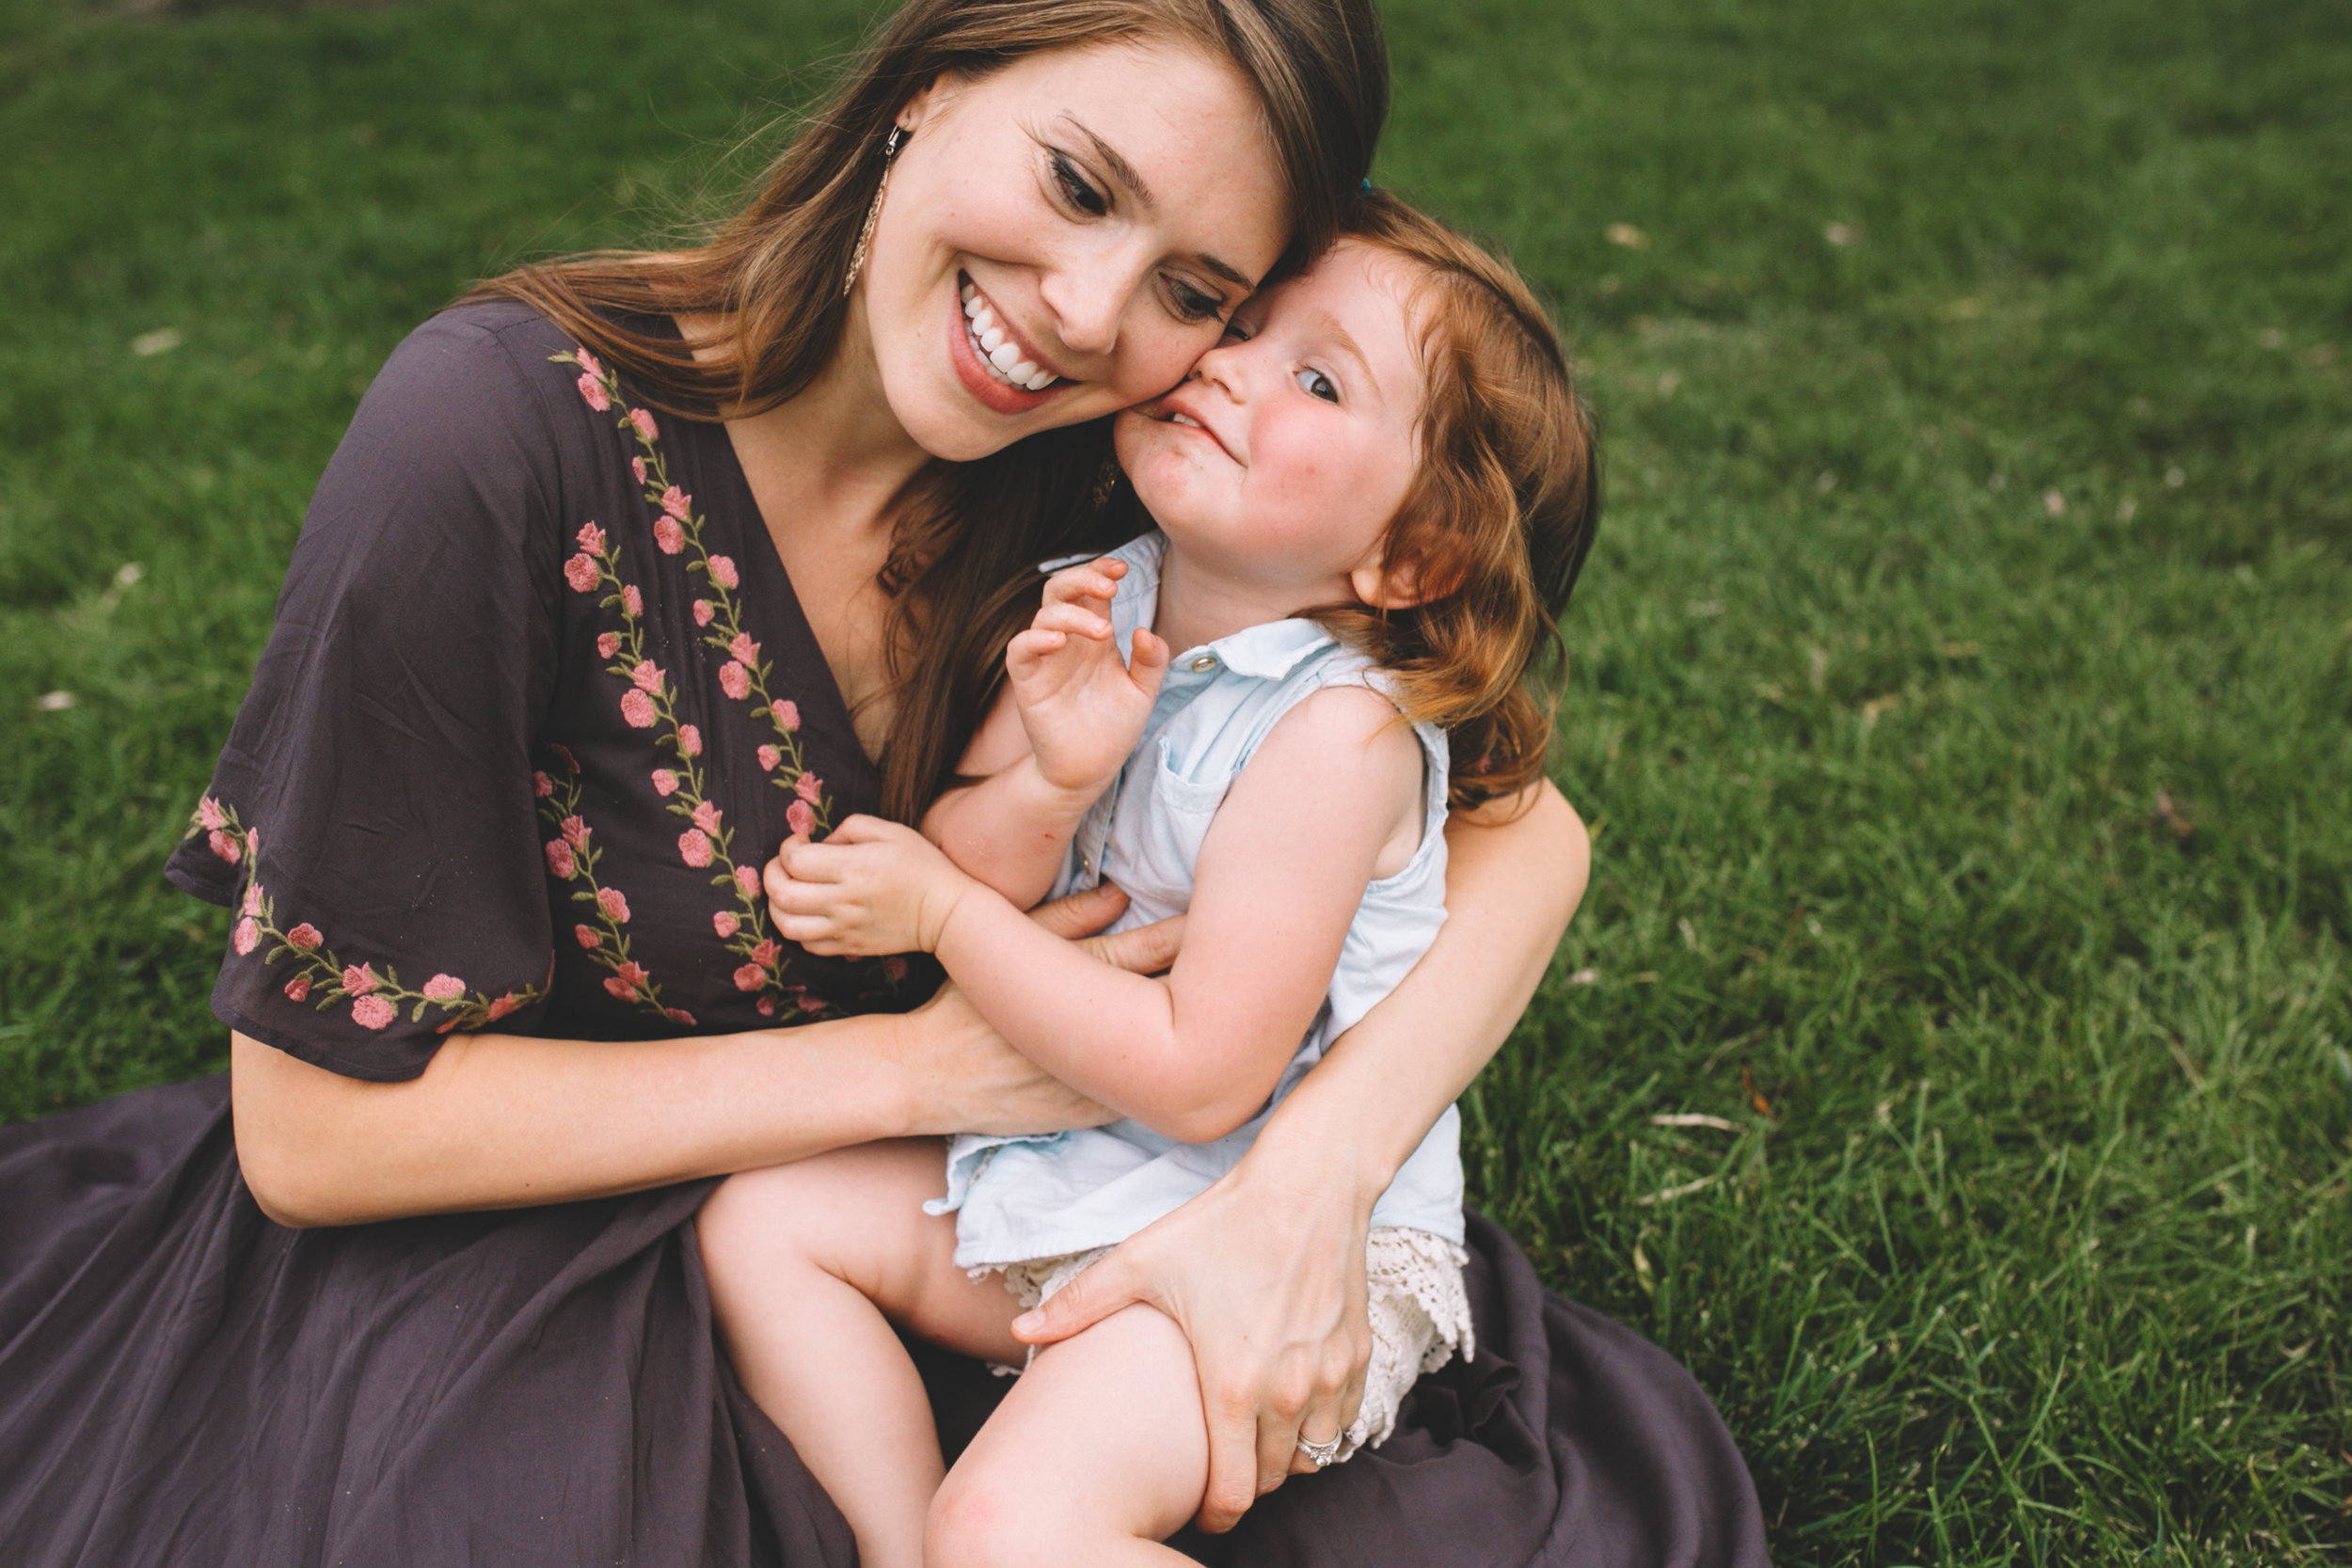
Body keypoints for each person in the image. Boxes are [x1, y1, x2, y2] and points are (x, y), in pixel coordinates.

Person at [0, 2, 1768, 1563]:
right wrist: (909, 1063)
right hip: (518, 1234)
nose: (1085, 317)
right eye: (1079, 186)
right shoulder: (492, 446)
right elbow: (308, 1137)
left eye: (1194, 293)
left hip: (1020, 1210)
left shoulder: (1124, 477)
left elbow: (1525, 836)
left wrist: (1307, 1180)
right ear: (931, 79)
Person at [697, 192, 1596, 1566]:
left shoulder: (1335, 737)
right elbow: (979, 861)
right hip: (1081, 1170)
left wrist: (940, 914)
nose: (1229, 364)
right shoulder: (1110, 595)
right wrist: (1053, 779)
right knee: (764, 1223)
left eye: (1314, 377)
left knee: (1014, 1526)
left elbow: (1201, 1076)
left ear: (1409, 556)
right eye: (1239, 328)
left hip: (1257, 1242)